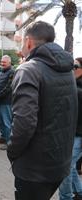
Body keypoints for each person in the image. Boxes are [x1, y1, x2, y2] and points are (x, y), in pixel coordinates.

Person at [7, 21, 78, 200]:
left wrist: (12, 151)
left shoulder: (28, 70)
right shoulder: (67, 70)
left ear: (29, 42)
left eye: (22, 43)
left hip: (34, 169)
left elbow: (24, 122)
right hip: (59, 164)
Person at [59, 57, 82, 200]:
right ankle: (79, 192)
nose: (72, 69)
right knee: (70, 166)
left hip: (79, 135)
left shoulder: (77, 88)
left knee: (65, 168)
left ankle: (66, 197)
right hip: (71, 133)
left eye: (75, 66)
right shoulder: (73, 85)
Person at [0, 55, 14, 150]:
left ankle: (9, 142)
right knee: (0, 122)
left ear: (9, 63)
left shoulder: (12, 72)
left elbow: (9, 87)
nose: (2, 63)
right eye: (1, 61)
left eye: (4, 62)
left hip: (6, 102)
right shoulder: (1, 72)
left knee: (7, 122)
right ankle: (3, 138)